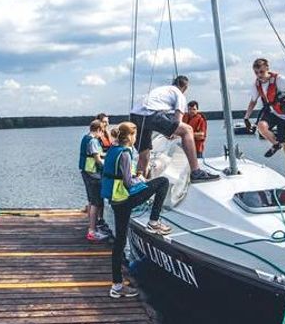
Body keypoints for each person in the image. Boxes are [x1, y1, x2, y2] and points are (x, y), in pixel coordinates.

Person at [101, 122, 171, 298]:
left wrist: (135, 177)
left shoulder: (113, 150)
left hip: (116, 200)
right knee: (162, 182)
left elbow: (118, 175)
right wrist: (141, 181)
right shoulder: (124, 153)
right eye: (135, 134)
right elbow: (127, 182)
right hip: (124, 199)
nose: (136, 138)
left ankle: (116, 286)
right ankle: (153, 222)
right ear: (130, 136)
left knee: (119, 243)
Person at [129, 75, 219, 183]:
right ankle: (196, 172)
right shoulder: (179, 94)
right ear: (185, 87)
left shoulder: (163, 90)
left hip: (135, 116)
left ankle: (139, 184)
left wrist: (170, 132)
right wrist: (172, 133)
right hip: (150, 113)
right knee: (188, 130)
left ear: (174, 83)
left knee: (144, 155)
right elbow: (178, 122)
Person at [243, 57, 285, 182]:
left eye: (261, 72)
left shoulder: (278, 79)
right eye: (256, 73)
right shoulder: (257, 84)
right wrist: (246, 117)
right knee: (261, 126)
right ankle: (276, 144)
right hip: (273, 112)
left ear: (267, 69)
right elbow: (253, 101)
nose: (259, 75)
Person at [79, 120, 109, 241]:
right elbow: (97, 159)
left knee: (92, 201)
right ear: (99, 130)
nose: (102, 135)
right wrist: (108, 166)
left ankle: (93, 228)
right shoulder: (93, 141)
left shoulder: (85, 138)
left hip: (86, 172)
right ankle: (92, 231)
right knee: (96, 203)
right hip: (93, 175)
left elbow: (95, 154)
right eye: (102, 132)